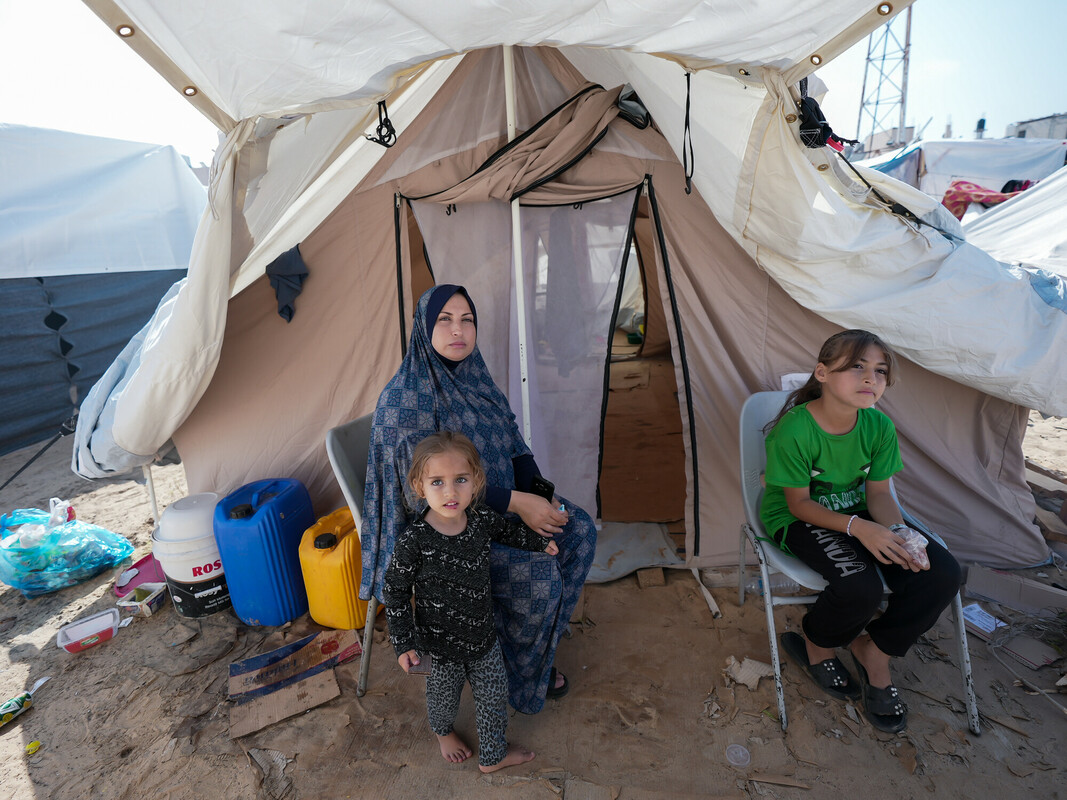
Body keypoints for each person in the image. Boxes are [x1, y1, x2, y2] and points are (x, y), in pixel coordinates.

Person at [361, 284, 597, 714]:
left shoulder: (475, 375)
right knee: (541, 576)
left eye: (467, 319)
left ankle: (531, 653)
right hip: (449, 532)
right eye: (445, 320)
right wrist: (519, 505)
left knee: (578, 530)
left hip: (501, 501)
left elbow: (512, 441)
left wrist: (537, 494)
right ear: (423, 328)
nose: (458, 330)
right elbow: (427, 497)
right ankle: (522, 680)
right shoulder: (404, 401)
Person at [759, 329, 962, 733]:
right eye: (857, 366)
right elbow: (799, 503)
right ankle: (817, 645)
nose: (871, 378)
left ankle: (875, 650)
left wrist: (894, 532)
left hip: (862, 515)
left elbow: (880, 494)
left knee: (941, 575)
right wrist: (860, 529)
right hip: (799, 518)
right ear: (822, 372)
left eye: (880, 371)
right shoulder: (795, 430)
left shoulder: (879, 427)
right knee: (860, 588)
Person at [383, 431, 559, 772]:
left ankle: (493, 755)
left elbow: (508, 532)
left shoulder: (479, 521)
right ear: (419, 486)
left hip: (482, 637)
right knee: (443, 699)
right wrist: (403, 642)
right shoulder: (413, 541)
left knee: (494, 696)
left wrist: (539, 544)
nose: (450, 492)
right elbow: (396, 592)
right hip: (439, 645)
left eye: (460, 479)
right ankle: (444, 732)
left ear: (476, 481)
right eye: (437, 482)